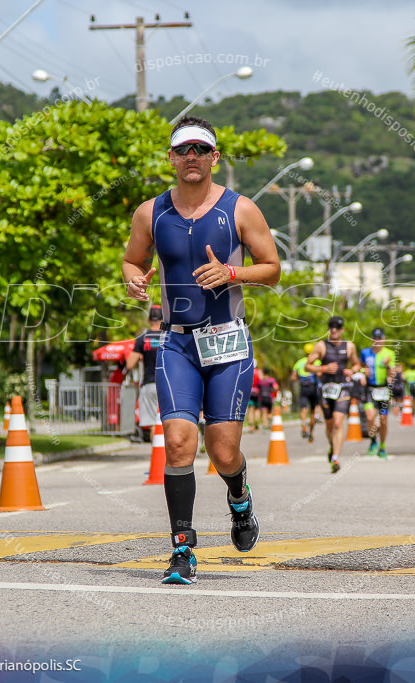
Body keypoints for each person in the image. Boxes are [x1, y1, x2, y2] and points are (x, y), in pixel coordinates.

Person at [122, 116, 281, 585]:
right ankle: (183, 550)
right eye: (182, 149)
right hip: (176, 342)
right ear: (171, 158)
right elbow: (134, 259)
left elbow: (272, 269)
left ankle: (240, 497)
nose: (191, 156)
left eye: (200, 149)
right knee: (177, 444)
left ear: (214, 157)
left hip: (228, 341)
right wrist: (133, 279)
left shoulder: (240, 210)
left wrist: (233, 275)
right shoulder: (151, 213)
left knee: (223, 449)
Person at [307, 316, 361, 473]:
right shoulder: (321, 346)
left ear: (342, 329)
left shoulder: (349, 346)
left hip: (343, 387)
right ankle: (333, 447)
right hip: (326, 389)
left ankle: (336, 458)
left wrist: (352, 370)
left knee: (338, 423)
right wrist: (323, 369)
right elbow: (307, 366)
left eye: (337, 327)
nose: (334, 330)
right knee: (330, 427)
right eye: (331, 327)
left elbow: (356, 364)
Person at [125, 305, 164, 442]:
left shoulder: (143, 338)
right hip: (168, 385)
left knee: (154, 423)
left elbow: (130, 364)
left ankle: (157, 455)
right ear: (163, 319)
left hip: (149, 384)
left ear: (148, 319)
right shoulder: (169, 335)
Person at [360, 328, 396, 458]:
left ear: (384, 339)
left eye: (380, 338)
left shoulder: (389, 354)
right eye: (375, 338)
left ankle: (382, 446)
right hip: (370, 388)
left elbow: (393, 372)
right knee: (370, 417)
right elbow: (360, 366)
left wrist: (387, 367)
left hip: (384, 389)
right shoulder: (365, 352)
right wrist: (363, 372)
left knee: (384, 420)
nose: (377, 340)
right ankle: (373, 440)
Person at [292, 343, 321, 442]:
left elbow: (293, 377)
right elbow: (320, 374)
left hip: (304, 388)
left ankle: (304, 426)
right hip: (314, 389)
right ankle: (311, 433)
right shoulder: (317, 362)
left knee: (303, 409)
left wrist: (301, 379)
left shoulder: (299, 363)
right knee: (313, 411)